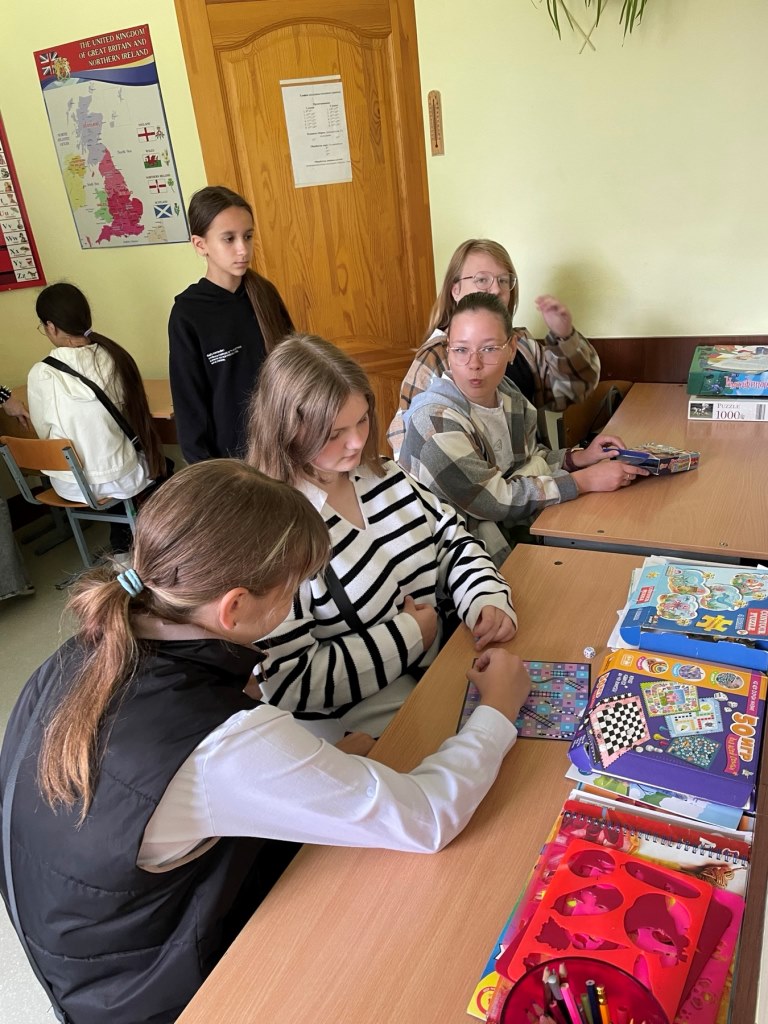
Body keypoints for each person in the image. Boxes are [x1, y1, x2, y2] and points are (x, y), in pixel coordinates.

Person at [0, 459, 531, 1024]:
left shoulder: (87, 650)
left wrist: (316, 766)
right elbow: (428, 817)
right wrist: (498, 709)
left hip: (89, 961)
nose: (296, 602)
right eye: (292, 590)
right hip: (160, 993)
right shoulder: (221, 741)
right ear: (233, 608)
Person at [247, 334, 517, 737]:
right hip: (357, 722)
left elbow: (451, 541)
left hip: (438, 670)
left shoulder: (384, 474)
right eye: (334, 433)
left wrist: (484, 598)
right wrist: (408, 636)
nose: (357, 441)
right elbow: (286, 680)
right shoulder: (272, 533)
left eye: (362, 419)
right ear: (287, 431)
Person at [397, 292, 648, 566]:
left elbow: (528, 460)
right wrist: (584, 481)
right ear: (448, 351)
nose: (474, 364)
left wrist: (577, 458)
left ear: (512, 349)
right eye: (461, 350)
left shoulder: (508, 395)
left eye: (489, 349)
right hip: (449, 562)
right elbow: (493, 500)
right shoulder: (434, 421)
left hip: (507, 534)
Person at [387, 238, 600, 457]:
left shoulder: (523, 345)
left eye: (503, 280)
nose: (497, 289)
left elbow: (573, 391)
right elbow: (404, 439)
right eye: (482, 280)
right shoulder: (435, 356)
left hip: (535, 469)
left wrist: (565, 337)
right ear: (456, 290)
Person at [168, 185, 294, 463]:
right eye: (229, 239)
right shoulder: (188, 314)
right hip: (232, 462)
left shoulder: (265, 294)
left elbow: (294, 371)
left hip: (285, 447)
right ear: (200, 244)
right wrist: (208, 471)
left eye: (248, 236)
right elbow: (189, 406)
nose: (242, 249)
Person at [27, 283, 166, 506]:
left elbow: (43, 432)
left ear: (51, 327)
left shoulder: (42, 373)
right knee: (155, 463)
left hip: (71, 485)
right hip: (121, 480)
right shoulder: (113, 357)